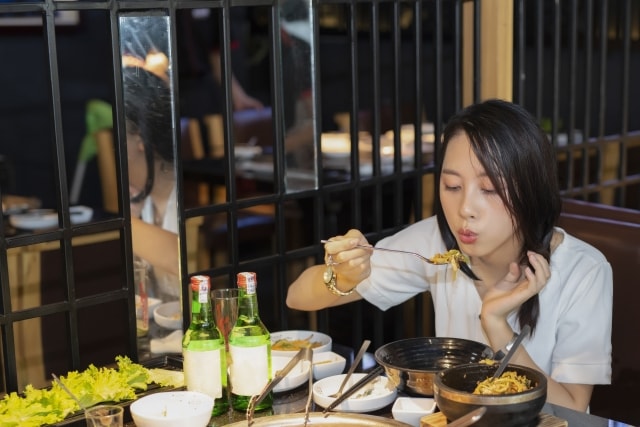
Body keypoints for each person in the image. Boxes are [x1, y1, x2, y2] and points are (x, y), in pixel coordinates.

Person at [286, 99, 612, 412]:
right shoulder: (439, 243)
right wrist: (342, 277)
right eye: (452, 187)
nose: (465, 210)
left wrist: (496, 325)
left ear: (530, 190)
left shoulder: (584, 270)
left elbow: (574, 408)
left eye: (490, 190)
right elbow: (297, 296)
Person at [122, 52, 180, 301]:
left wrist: (122, 222)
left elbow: (181, 258)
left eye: (118, 136)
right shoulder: (143, 201)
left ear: (140, 140)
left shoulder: (187, 193)